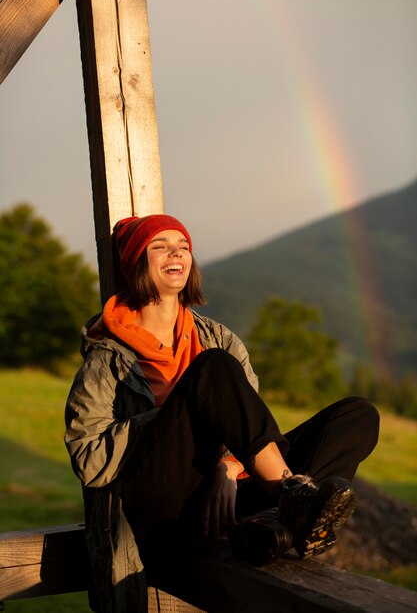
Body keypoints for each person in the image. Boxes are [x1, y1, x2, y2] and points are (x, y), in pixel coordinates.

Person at [64, 214, 379, 613]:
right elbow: (89, 461)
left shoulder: (220, 338)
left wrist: (228, 467)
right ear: (135, 263)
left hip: (227, 497)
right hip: (161, 509)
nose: (176, 252)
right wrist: (175, 414)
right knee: (210, 369)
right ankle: (289, 498)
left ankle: (275, 525)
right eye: (159, 246)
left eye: (183, 245)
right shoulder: (105, 358)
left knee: (358, 414)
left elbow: (244, 422)